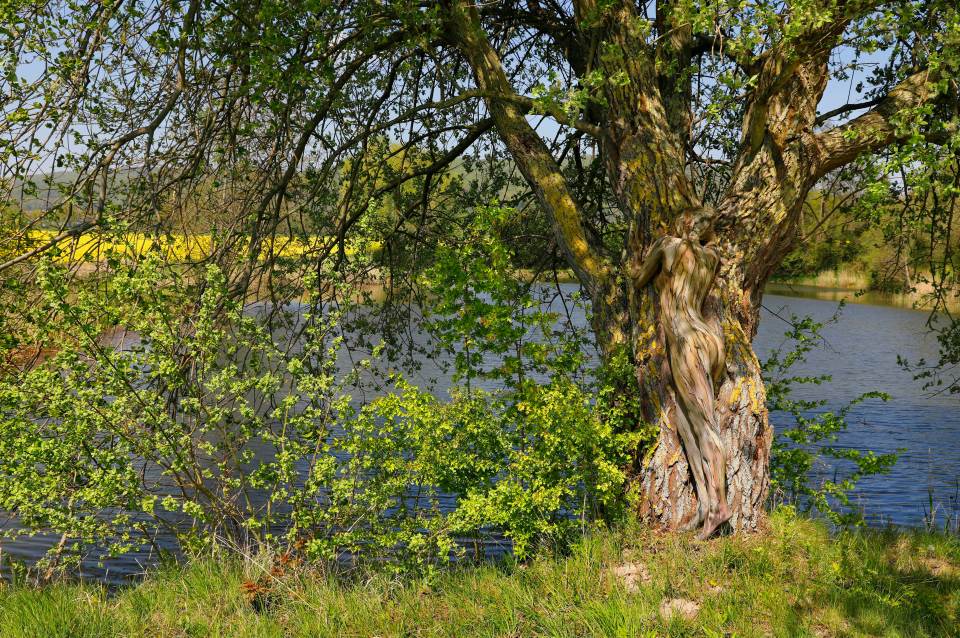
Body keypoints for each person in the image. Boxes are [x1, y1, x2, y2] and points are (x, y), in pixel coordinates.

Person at [632, 208, 731, 539]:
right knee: (686, 423)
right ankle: (705, 504)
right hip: (709, 339)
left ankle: (720, 508)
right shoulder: (711, 257)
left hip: (686, 340)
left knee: (705, 426)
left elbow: (638, 279)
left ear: (683, 224)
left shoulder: (668, 245)